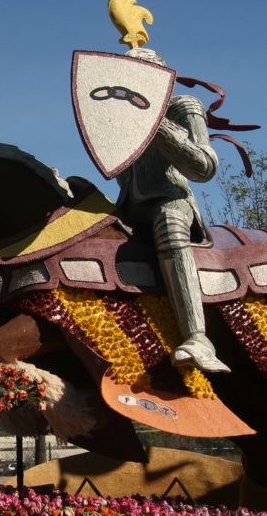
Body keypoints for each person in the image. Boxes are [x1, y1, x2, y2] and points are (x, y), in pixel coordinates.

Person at [116, 47, 229, 373]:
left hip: (171, 200)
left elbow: (205, 167)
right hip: (127, 207)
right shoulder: (120, 119)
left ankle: (198, 337)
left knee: (170, 227)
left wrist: (159, 126)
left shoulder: (183, 107)